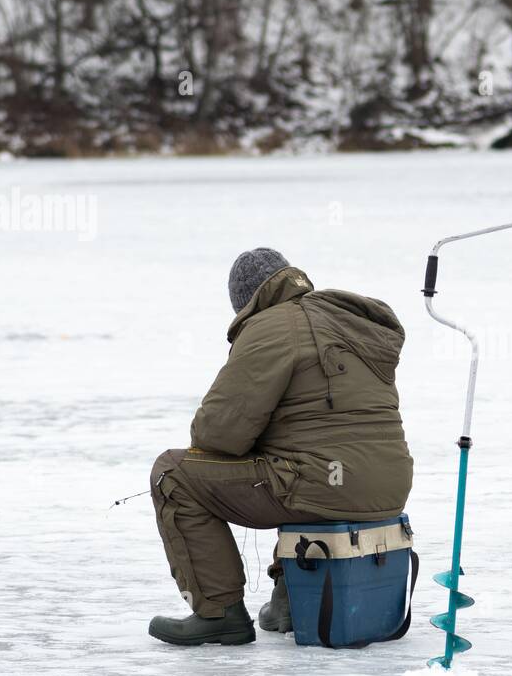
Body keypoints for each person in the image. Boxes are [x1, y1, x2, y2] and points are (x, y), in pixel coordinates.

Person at [147, 248, 414, 645]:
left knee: (174, 473)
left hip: (325, 482)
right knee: (305, 461)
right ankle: (290, 601)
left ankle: (218, 612)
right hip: (388, 485)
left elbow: (217, 433)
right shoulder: (348, 323)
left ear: (245, 299)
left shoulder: (271, 327)